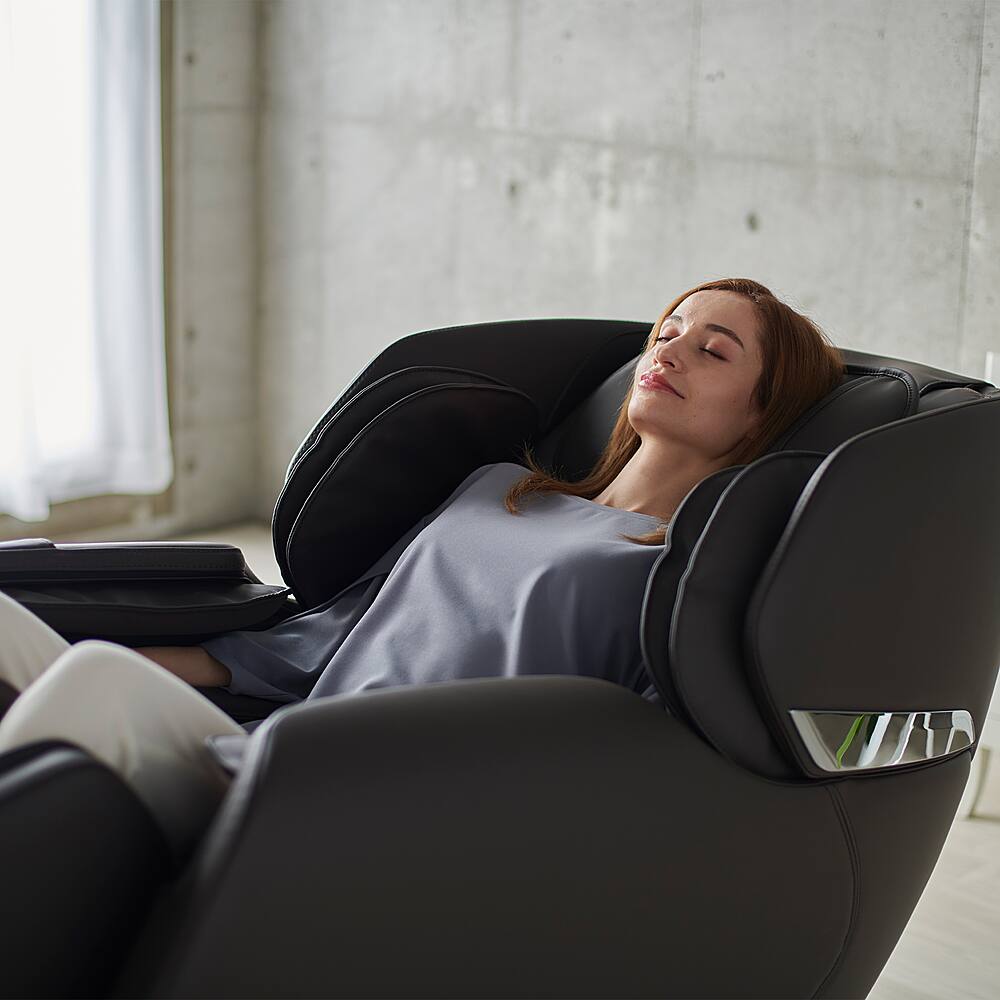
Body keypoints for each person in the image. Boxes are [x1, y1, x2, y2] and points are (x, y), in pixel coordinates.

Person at [0, 277, 845, 864]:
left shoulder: (676, 572)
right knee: (40, 644)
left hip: (370, 807)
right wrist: (104, 653)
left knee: (94, 688)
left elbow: (635, 761)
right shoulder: (499, 488)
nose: (671, 352)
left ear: (760, 415)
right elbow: (324, 639)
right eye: (667, 333)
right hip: (266, 755)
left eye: (714, 351)